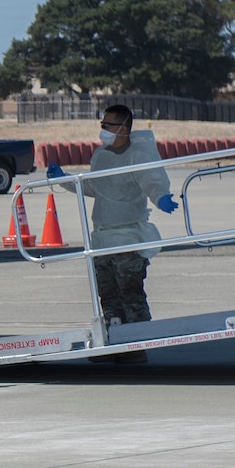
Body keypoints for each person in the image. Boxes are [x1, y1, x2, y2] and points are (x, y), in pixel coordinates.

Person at [46, 103, 176, 363]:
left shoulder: (138, 154)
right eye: (102, 125)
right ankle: (113, 342)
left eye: (108, 125)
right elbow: (95, 187)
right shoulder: (101, 156)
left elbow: (151, 179)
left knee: (131, 293)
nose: (103, 130)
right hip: (103, 237)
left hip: (128, 237)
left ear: (124, 128)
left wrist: (160, 197)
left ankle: (137, 346)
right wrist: (64, 178)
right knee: (108, 294)